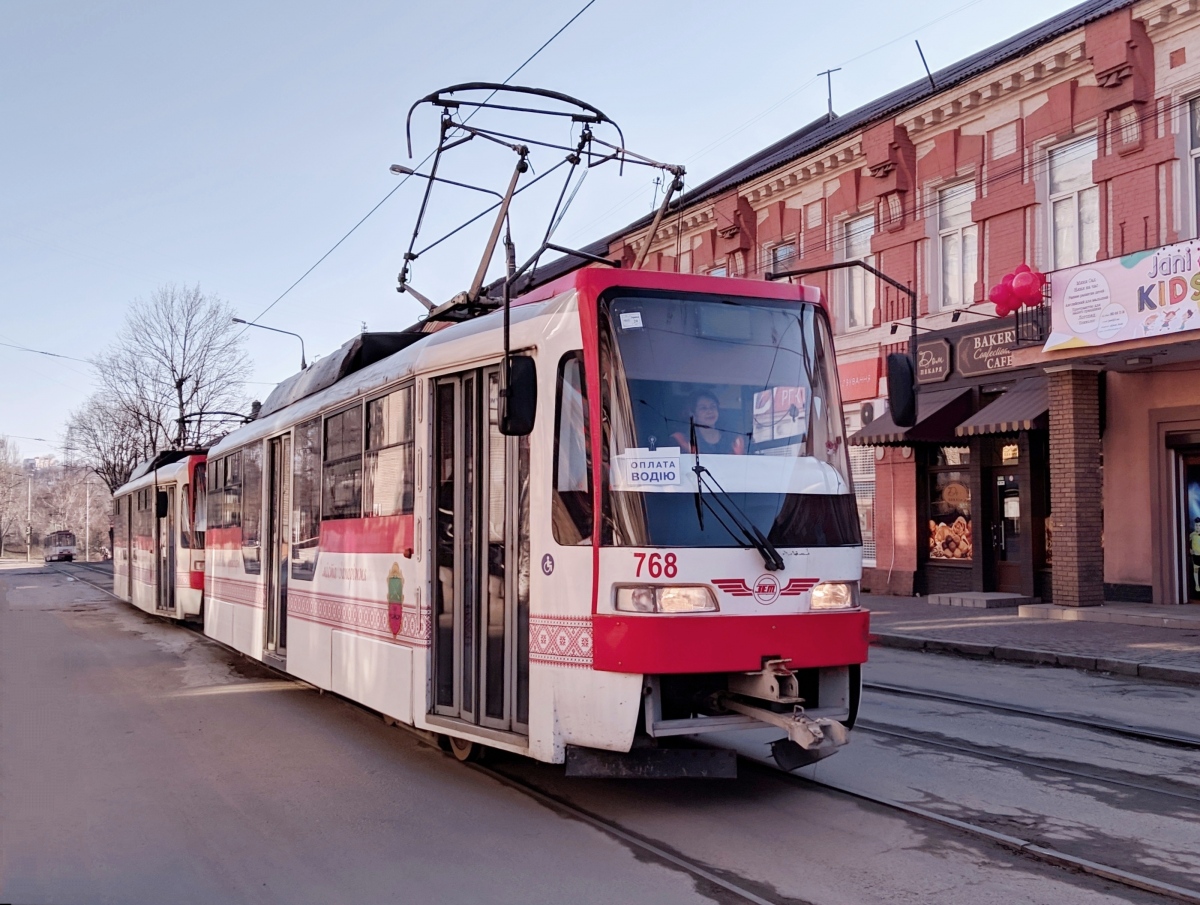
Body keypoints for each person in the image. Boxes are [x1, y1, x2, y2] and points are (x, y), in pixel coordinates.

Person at [671, 391, 746, 455]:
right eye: (703, 408)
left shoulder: (734, 440)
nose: (710, 411)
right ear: (693, 414)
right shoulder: (681, 440)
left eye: (713, 407)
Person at [1190, 517, 1200, 594]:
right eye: (1196, 525)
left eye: (1199, 525)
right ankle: (1197, 585)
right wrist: (1190, 550)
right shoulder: (1192, 535)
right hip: (1196, 556)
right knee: (1196, 571)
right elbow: (1187, 543)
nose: (1198, 527)